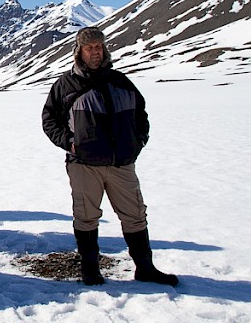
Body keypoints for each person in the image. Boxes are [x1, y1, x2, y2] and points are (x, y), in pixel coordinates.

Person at [41, 26, 179, 287]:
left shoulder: (120, 81)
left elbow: (141, 115)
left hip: (121, 164)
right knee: (86, 216)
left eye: (99, 47)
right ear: (79, 52)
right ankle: (90, 270)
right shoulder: (65, 85)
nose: (95, 52)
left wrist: (138, 142)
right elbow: (49, 120)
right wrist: (70, 143)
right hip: (84, 165)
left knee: (135, 214)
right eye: (89, 48)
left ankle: (145, 268)